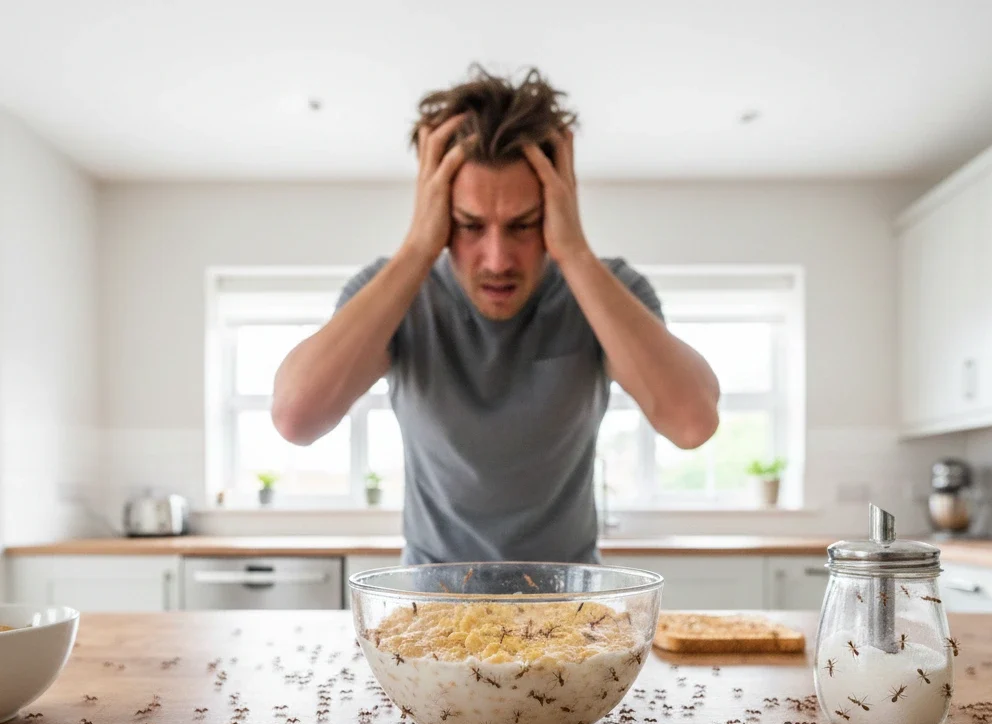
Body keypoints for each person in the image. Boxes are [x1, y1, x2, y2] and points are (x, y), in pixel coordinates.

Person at [272, 66, 720, 565]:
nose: (498, 259)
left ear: (556, 207)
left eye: (524, 225)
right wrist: (419, 247)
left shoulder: (609, 291)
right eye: (468, 225)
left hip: (566, 606)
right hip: (431, 604)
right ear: (437, 212)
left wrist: (572, 251)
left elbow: (692, 423)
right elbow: (297, 419)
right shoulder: (395, 292)